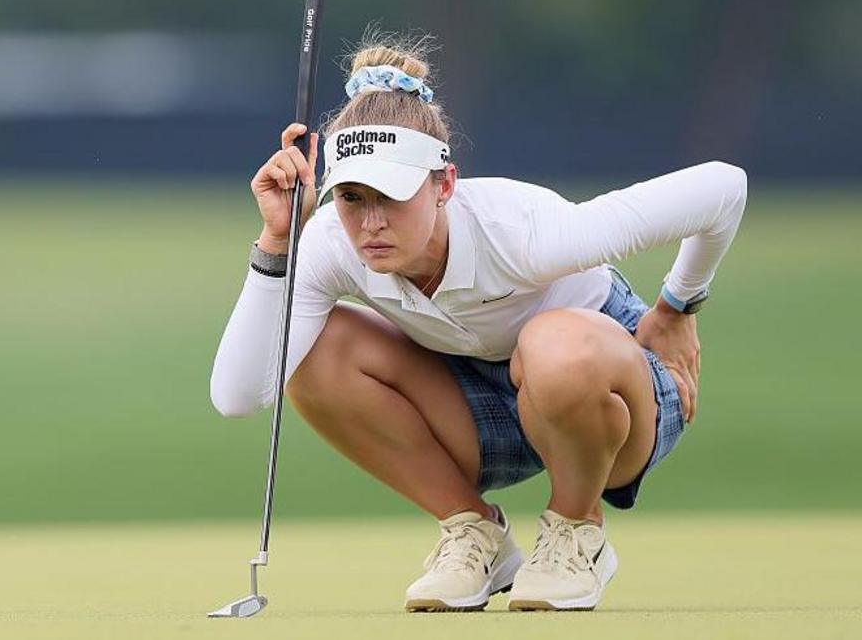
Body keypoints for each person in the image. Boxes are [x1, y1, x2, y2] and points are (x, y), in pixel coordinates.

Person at [209, 32, 747, 613]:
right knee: (316, 350)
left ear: (444, 185)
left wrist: (677, 306)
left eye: (390, 196)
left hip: (609, 394)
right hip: (478, 396)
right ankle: (474, 533)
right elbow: (240, 395)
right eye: (352, 198)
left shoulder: (525, 232)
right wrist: (278, 240)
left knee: (552, 345)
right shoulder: (329, 243)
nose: (370, 223)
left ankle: (575, 531)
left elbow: (723, 186)